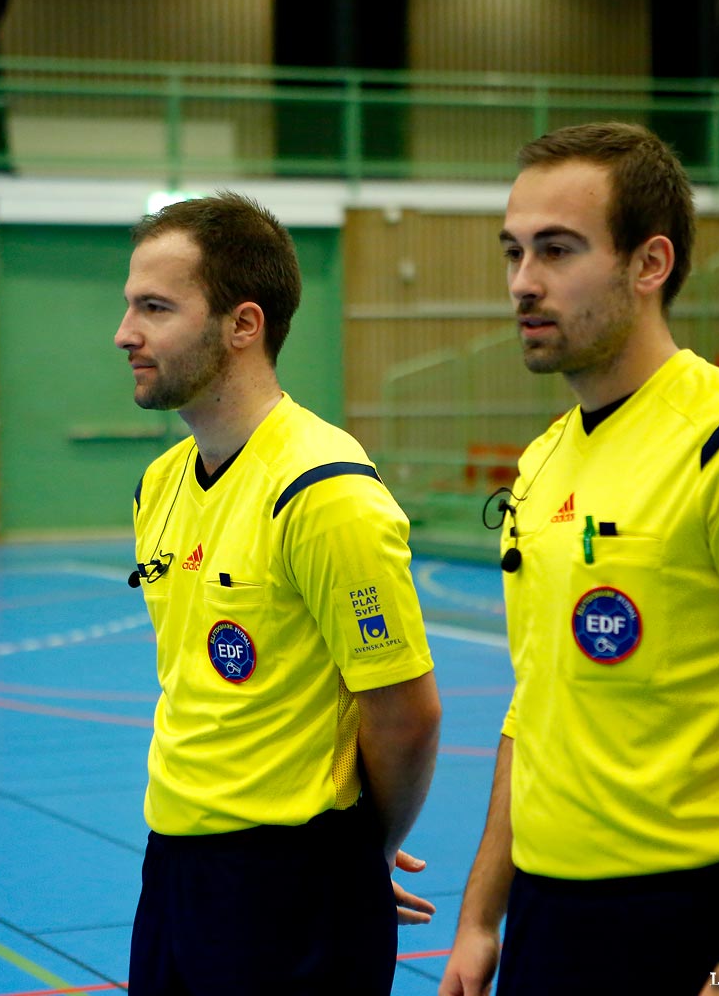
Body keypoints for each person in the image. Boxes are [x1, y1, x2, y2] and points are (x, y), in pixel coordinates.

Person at [440, 122, 719, 996]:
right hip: (551, 923)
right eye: (513, 252)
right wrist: (483, 918)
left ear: (649, 262)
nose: (523, 282)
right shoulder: (544, 459)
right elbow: (537, 702)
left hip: (698, 920)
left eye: (557, 250)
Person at [117, 191, 442, 995]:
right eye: (130, 306)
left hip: (294, 884)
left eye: (156, 308)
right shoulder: (159, 484)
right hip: (174, 864)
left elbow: (405, 713)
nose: (126, 333)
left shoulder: (326, 492)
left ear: (244, 324)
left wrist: (357, 855)